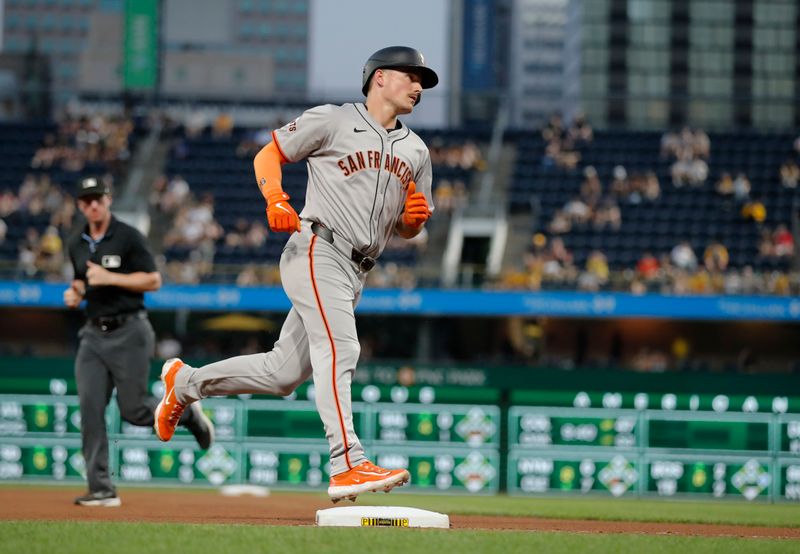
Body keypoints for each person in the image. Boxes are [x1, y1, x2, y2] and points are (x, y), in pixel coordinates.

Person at [153, 46, 437, 503]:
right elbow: (267, 156)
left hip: (358, 269)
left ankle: (184, 383)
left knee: (281, 374)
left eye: (423, 80)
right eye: (412, 76)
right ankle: (347, 461)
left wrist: (413, 222)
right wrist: (275, 198)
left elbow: (405, 227)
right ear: (380, 77)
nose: (420, 86)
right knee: (342, 347)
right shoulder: (334, 120)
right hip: (317, 248)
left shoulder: (418, 151)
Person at [64, 177, 214, 507]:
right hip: (92, 334)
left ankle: (187, 415)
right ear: (79, 205)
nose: (92, 205)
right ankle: (101, 488)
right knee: (90, 409)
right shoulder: (76, 241)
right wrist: (75, 293)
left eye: (97, 199)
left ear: (108, 200)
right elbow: (80, 280)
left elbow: (154, 280)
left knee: (133, 410)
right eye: (86, 200)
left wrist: (110, 278)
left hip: (129, 330)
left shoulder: (128, 236)